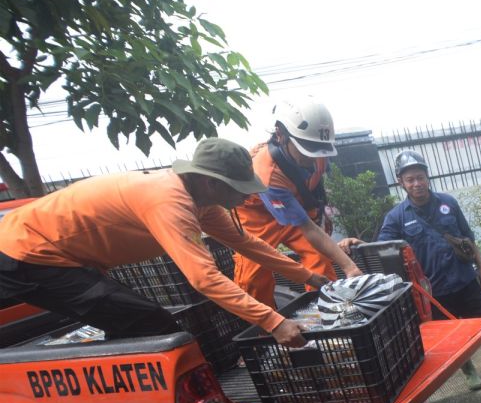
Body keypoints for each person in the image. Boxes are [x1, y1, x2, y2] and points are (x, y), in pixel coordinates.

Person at [0, 138, 327, 346]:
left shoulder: (204, 202)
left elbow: (248, 244)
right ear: (210, 182)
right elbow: (204, 279)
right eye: (239, 189)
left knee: (132, 321)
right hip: (26, 253)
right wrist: (273, 322)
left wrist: (310, 277)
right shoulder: (169, 202)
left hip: (62, 257)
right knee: (150, 325)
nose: (245, 197)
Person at [377, 150, 481, 390]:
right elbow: (382, 249)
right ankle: (469, 373)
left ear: (427, 177)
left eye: (420, 177)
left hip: (464, 280)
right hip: (433, 291)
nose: (417, 183)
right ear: (401, 183)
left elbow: (468, 238)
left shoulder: (448, 203)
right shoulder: (396, 217)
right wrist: (355, 243)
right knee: (451, 334)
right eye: (410, 179)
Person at [232, 96, 362, 308]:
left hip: (295, 206)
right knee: (254, 277)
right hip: (257, 215)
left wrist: (321, 215)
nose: (312, 157)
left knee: (319, 258)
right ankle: (267, 323)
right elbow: (308, 229)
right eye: (306, 148)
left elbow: (313, 194)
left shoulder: (317, 150)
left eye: (317, 148)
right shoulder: (267, 173)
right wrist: (349, 267)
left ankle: (328, 310)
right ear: (281, 135)